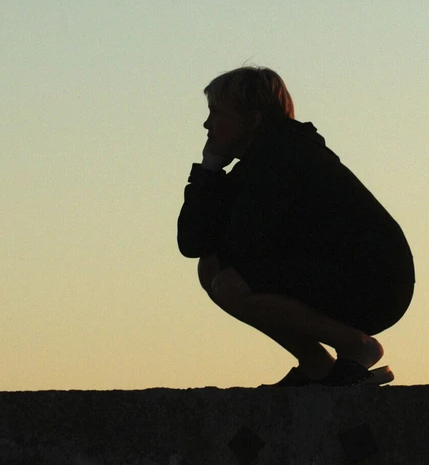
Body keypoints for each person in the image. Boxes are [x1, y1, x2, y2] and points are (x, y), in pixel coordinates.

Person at [177, 66, 415, 386]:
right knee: (212, 269)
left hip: (374, 282)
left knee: (229, 282)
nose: (207, 124)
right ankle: (318, 364)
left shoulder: (285, 156)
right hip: (331, 271)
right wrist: (208, 170)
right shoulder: (256, 165)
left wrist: (214, 196)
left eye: (217, 113)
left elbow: (244, 242)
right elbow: (193, 244)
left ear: (253, 119)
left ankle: (357, 347)